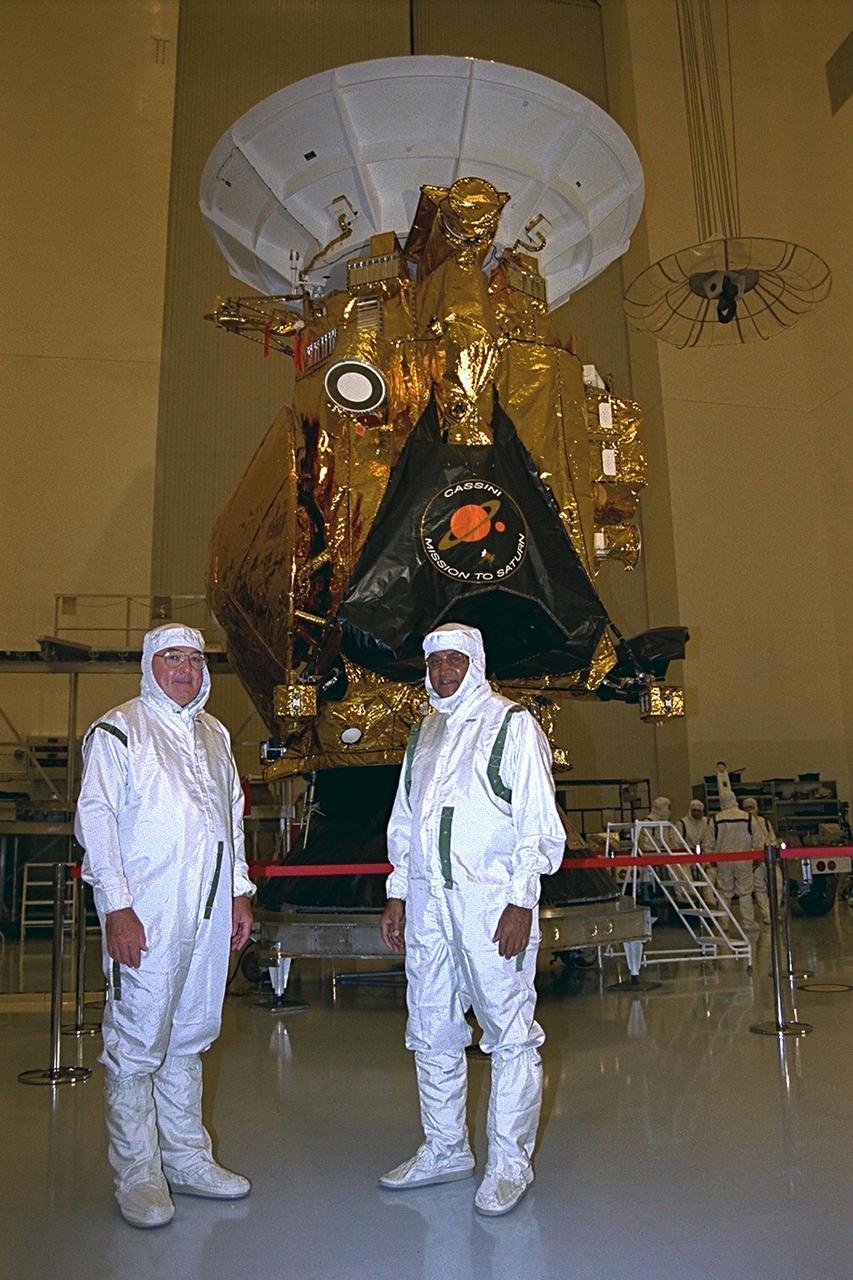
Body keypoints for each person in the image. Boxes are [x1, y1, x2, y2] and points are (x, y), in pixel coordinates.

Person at [379, 623, 565, 1216]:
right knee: (431, 1026)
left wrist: (520, 899)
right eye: (434, 664)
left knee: (508, 1034)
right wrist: (397, 893)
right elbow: (405, 823)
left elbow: (538, 824)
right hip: (429, 909)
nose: (443, 674)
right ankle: (445, 1148)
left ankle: (510, 1164)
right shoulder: (424, 734)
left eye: (455, 662)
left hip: (491, 906)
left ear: (476, 663)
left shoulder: (512, 725)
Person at [75, 623, 255, 1229]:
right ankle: (138, 1175)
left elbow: (230, 821)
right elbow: (96, 824)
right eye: (172, 658)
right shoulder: (119, 730)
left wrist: (239, 893)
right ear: (151, 665)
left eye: (195, 659)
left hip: (207, 917)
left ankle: (187, 1160)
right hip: (146, 914)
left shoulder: (214, 735)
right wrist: (117, 908)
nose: (186, 669)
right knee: (136, 1043)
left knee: (191, 1034)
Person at [708, 763, 757, 931]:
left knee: (724, 892)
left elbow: (709, 842)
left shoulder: (716, 819)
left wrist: (710, 859)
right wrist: (757, 856)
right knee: (745, 893)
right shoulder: (748, 818)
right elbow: (758, 839)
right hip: (744, 859)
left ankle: (724, 924)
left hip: (723, 860)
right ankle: (748, 924)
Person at [743, 796, 780, 925]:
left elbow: (772, 838)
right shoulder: (743, 824)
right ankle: (768, 916)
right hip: (754, 861)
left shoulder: (764, 822)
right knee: (759, 888)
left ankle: (775, 911)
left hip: (768, 859)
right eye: (746, 808)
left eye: (751, 807)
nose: (749, 810)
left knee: (778, 884)